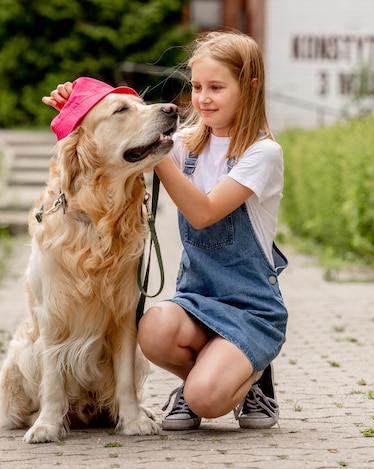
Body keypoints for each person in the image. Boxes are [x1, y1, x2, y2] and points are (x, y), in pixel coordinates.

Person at [44, 30, 288, 431]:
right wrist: (78, 102)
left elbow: (203, 212)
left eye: (216, 87)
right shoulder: (187, 142)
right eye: (196, 87)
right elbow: (116, 134)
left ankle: (251, 376)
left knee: (205, 400)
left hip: (250, 309)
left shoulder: (262, 154)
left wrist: (158, 154)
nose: (203, 98)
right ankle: (212, 370)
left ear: (250, 87)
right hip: (196, 303)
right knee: (151, 328)